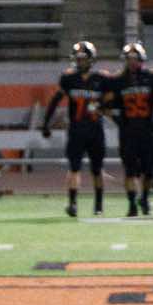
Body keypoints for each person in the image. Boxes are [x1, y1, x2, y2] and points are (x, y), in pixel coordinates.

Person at [40, 39, 112, 217]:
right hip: (76, 130)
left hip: (95, 130)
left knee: (97, 169)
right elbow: (55, 100)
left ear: (91, 59)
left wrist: (103, 108)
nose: (80, 62)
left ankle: (99, 204)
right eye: (78, 58)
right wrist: (46, 123)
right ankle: (72, 203)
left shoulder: (102, 78)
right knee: (74, 168)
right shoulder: (69, 78)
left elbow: (111, 101)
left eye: (83, 58)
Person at [109, 42, 153, 217]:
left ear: (141, 60)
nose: (132, 62)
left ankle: (145, 198)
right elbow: (105, 104)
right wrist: (118, 120)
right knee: (130, 171)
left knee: (149, 171)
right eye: (129, 59)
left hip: (148, 131)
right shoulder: (118, 81)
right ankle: (132, 203)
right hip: (128, 132)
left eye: (135, 58)